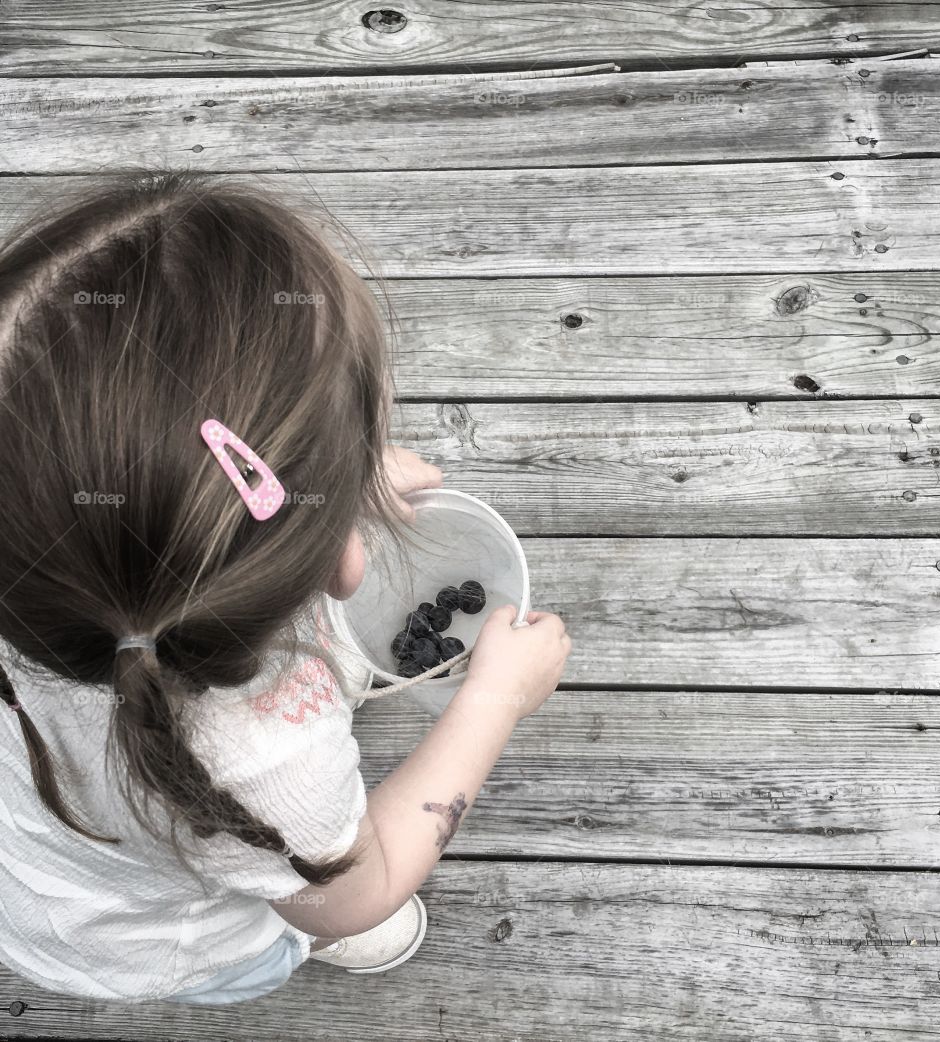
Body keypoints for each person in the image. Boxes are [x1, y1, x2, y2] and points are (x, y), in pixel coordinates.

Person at [0, 171, 572, 1004]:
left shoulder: (45, 566)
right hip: (162, 942)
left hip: (44, 883)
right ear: (344, 557)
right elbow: (359, 894)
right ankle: (282, 928)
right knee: (308, 910)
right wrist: (492, 701)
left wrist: (324, 495)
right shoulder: (266, 763)